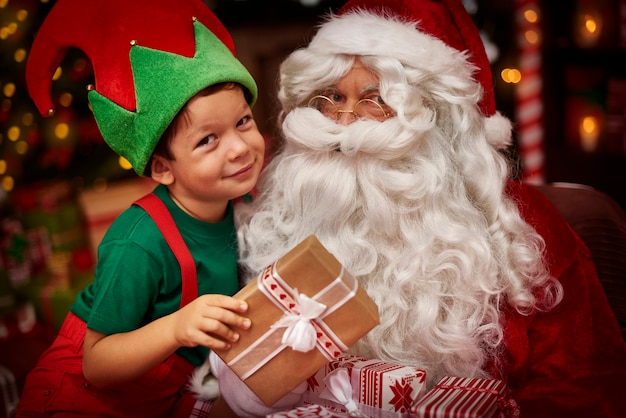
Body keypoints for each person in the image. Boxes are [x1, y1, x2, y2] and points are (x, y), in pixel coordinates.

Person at [217, 0, 626, 416]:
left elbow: (581, 389)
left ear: (438, 117)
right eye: (333, 97)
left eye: (375, 99)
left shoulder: (527, 227)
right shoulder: (267, 202)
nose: (345, 122)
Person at [16, 0, 265, 416]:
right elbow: (96, 364)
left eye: (243, 122)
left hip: (164, 398)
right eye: (208, 140)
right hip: (80, 401)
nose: (240, 148)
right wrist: (176, 327)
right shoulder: (140, 243)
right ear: (163, 168)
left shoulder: (243, 208)